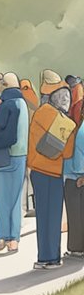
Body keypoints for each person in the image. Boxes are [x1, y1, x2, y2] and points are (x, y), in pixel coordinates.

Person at [28, 74, 70, 270]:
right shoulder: (61, 119)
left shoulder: (39, 113)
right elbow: (67, 151)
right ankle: (53, 257)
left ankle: (43, 257)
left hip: (37, 170)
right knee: (53, 216)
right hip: (53, 172)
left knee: (42, 216)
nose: (66, 100)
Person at [0, 80, 30, 254]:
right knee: (15, 199)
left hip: (3, 156)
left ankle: (3, 237)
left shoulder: (6, 105)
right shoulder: (23, 104)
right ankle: (14, 240)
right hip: (21, 156)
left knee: (2, 200)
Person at [63, 92, 84, 258]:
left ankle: (77, 248)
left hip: (76, 178)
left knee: (76, 215)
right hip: (75, 175)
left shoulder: (81, 130)